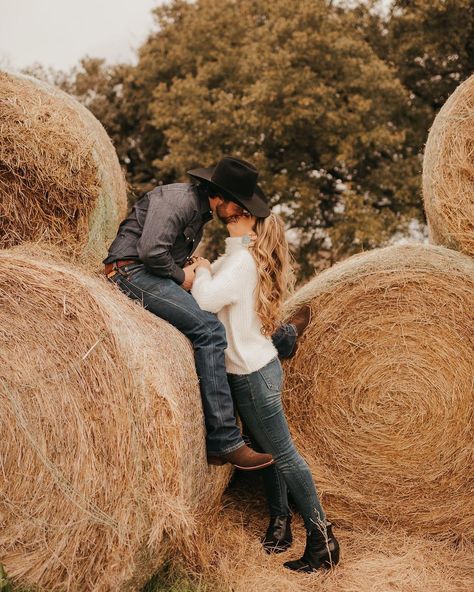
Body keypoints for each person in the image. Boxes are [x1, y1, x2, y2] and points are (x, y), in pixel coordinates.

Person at [103, 156, 311, 470]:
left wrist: (194, 268)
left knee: (222, 309)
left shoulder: (200, 211)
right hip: (130, 272)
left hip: (149, 273)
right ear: (223, 197)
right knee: (210, 330)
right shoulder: (178, 201)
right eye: (240, 205)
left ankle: (282, 338)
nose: (241, 212)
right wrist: (181, 276)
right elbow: (150, 252)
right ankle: (225, 441)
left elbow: (179, 256)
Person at [191, 205, 340, 573]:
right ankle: (283, 529)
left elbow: (206, 300)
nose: (230, 214)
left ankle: (323, 541)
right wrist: (217, 259)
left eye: (239, 213)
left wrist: (205, 270)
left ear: (254, 224)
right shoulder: (241, 255)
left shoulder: (242, 263)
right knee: (271, 453)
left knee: (284, 455)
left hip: (252, 377)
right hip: (258, 369)